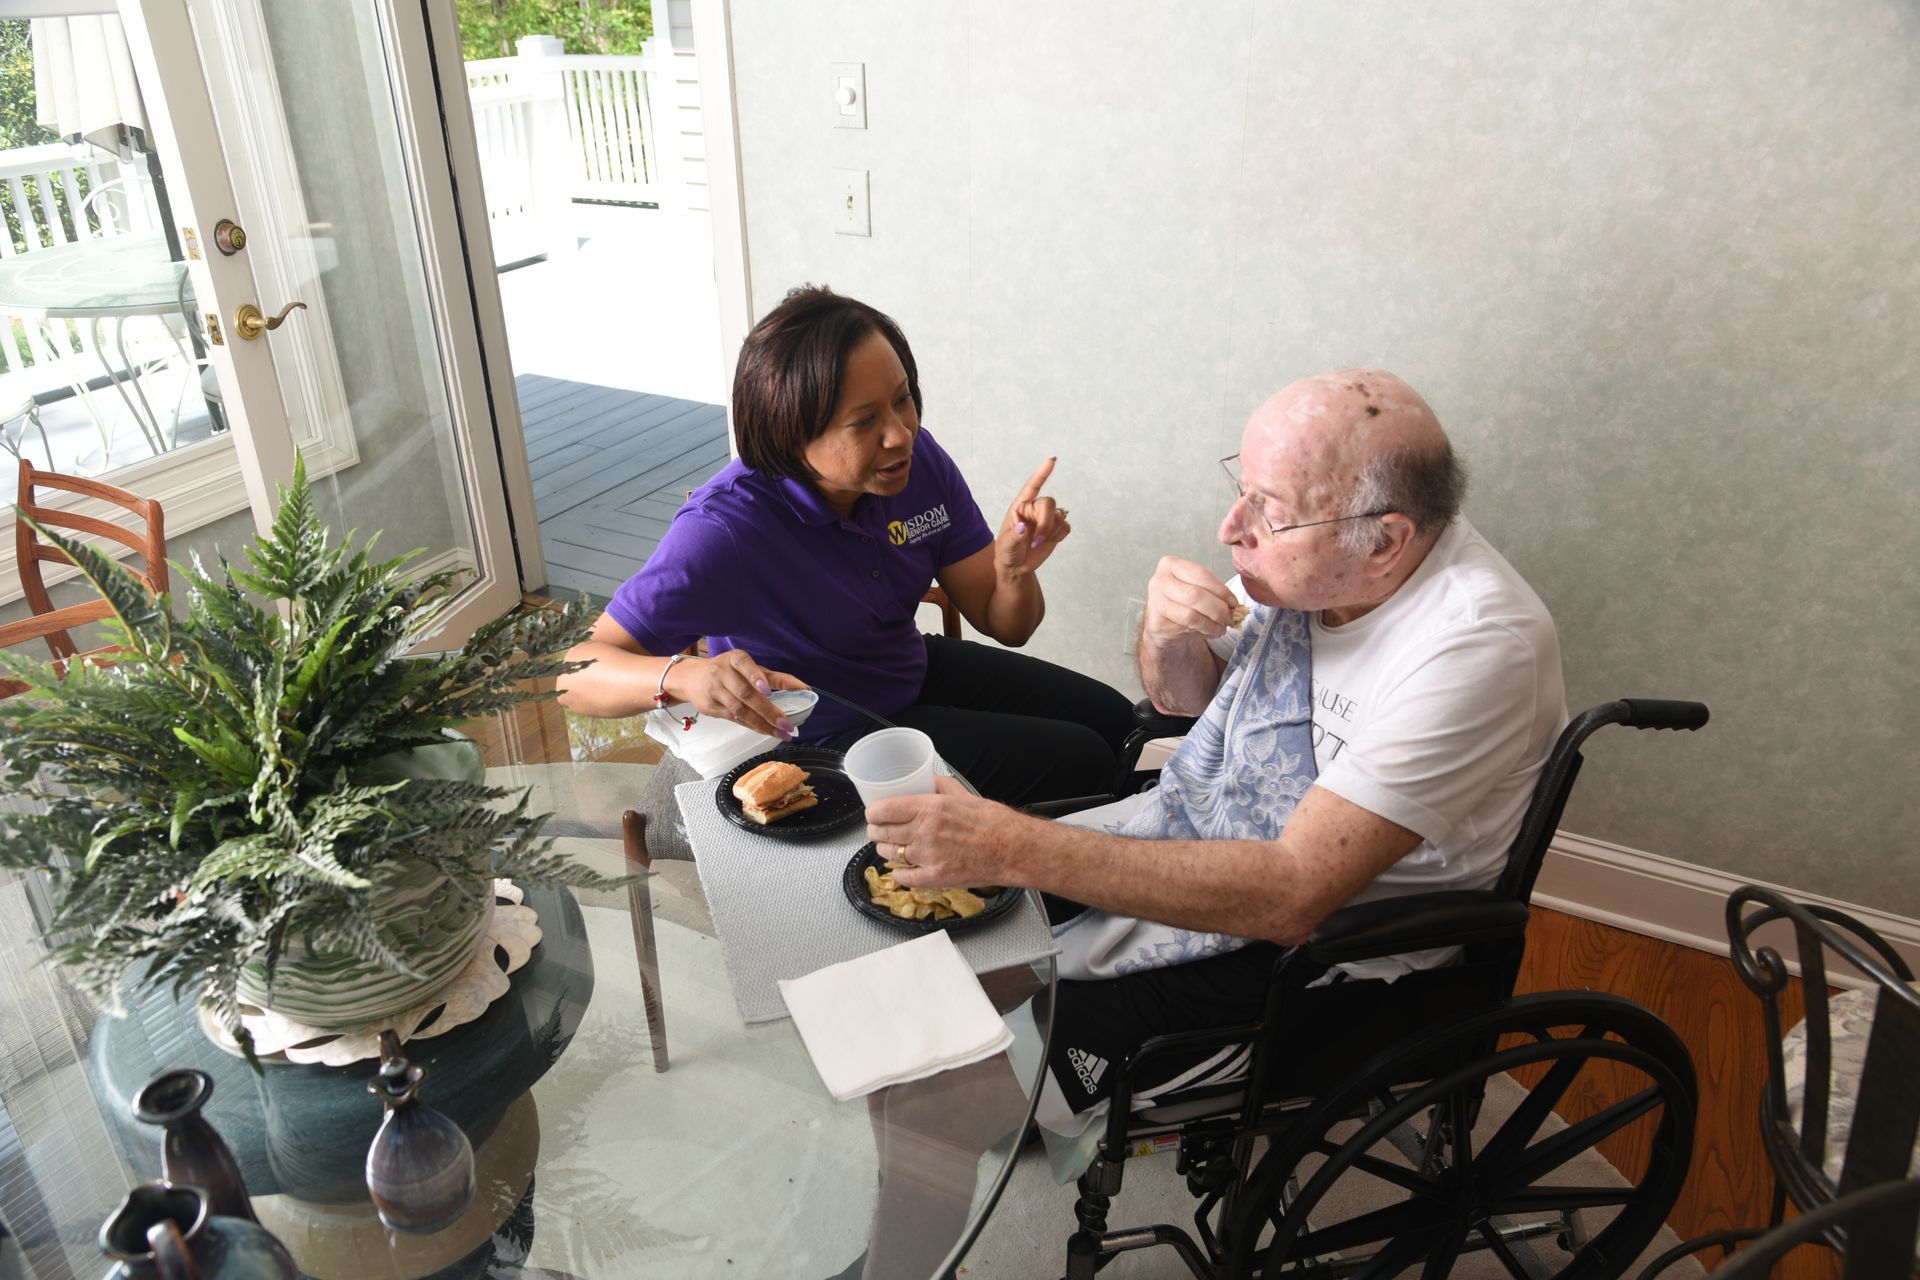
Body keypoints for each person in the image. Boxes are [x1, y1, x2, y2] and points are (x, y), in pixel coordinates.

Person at [863, 369, 1567, 1134]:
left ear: (1386, 541)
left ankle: (997, 1116)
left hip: (1333, 948)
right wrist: (1165, 632)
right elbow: (1181, 701)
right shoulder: (1316, 565)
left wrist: (1016, 845)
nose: (1232, 528)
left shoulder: (1474, 645)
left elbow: (1293, 895)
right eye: (1244, 487)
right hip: (1208, 829)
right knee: (962, 938)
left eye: (1270, 511)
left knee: (957, 1109)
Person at [558, 286, 1136, 807]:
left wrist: (1012, 572)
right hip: (821, 738)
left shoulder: (918, 462)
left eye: (903, 400)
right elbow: (574, 675)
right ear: (790, 432)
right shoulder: (725, 529)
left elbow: (1008, 624)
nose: (900, 434)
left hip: (903, 671)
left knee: (1116, 723)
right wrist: (684, 678)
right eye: (864, 422)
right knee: (1082, 760)